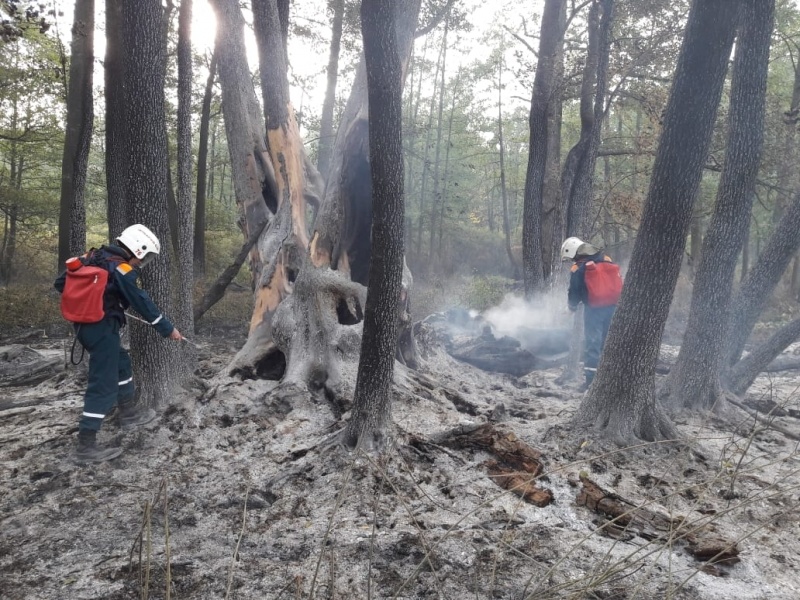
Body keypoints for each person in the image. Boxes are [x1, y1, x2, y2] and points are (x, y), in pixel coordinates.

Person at [54, 224, 183, 463]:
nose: (141, 262)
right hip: (100, 328)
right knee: (103, 384)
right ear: (138, 249)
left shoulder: (91, 257)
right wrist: (167, 329)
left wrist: (97, 298)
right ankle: (86, 444)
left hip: (86, 328)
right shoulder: (121, 268)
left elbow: (60, 285)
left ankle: (128, 412)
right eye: (145, 256)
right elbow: (141, 301)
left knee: (122, 362)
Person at [561, 237, 623, 389]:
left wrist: (571, 308)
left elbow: (574, 291)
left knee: (592, 344)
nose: (572, 260)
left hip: (593, 310)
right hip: (613, 307)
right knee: (607, 343)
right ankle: (609, 380)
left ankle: (590, 383)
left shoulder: (578, 267)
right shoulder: (606, 258)